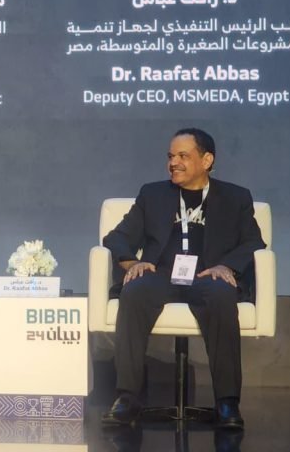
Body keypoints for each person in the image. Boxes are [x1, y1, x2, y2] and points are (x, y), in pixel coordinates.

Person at [101, 128, 265, 429]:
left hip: (208, 276)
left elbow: (253, 242)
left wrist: (227, 266)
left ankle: (227, 402)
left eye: (183, 156)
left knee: (221, 294)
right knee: (134, 290)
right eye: (170, 156)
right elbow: (117, 237)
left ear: (207, 160)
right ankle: (127, 397)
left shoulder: (235, 197)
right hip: (161, 274)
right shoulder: (153, 194)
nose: (173, 163)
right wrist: (133, 263)